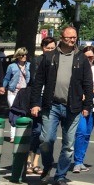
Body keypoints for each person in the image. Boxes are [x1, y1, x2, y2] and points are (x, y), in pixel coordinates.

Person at [29, 26, 93, 185]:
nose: (72, 40)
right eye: (68, 38)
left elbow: (88, 83)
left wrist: (87, 105)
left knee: (68, 145)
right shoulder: (50, 57)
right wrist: (35, 103)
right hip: (52, 105)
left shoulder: (81, 58)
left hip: (73, 107)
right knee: (46, 140)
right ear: (61, 37)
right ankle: (47, 166)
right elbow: (38, 82)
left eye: (74, 38)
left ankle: (60, 176)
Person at [72, 45, 94, 173]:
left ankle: (81, 160)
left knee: (87, 134)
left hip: (93, 104)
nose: (89, 59)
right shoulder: (77, 68)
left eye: (91, 57)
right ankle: (77, 162)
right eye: (86, 57)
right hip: (80, 105)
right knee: (80, 133)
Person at [27, 36, 56, 174]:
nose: (50, 51)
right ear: (42, 48)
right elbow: (34, 83)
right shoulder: (36, 61)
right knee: (36, 131)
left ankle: (36, 162)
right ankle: (28, 157)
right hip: (38, 101)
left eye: (52, 48)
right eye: (47, 48)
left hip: (50, 102)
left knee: (44, 134)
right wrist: (35, 103)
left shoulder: (57, 61)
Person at [2, 47, 31, 143]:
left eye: (26, 54)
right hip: (13, 91)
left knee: (23, 112)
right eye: (22, 55)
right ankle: (13, 136)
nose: (24, 57)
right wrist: (2, 87)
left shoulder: (29, 66)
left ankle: (22, 134)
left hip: (24, 93)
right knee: (15, 112)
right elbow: (6, 78)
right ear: (18, 56)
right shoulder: (12, 66)